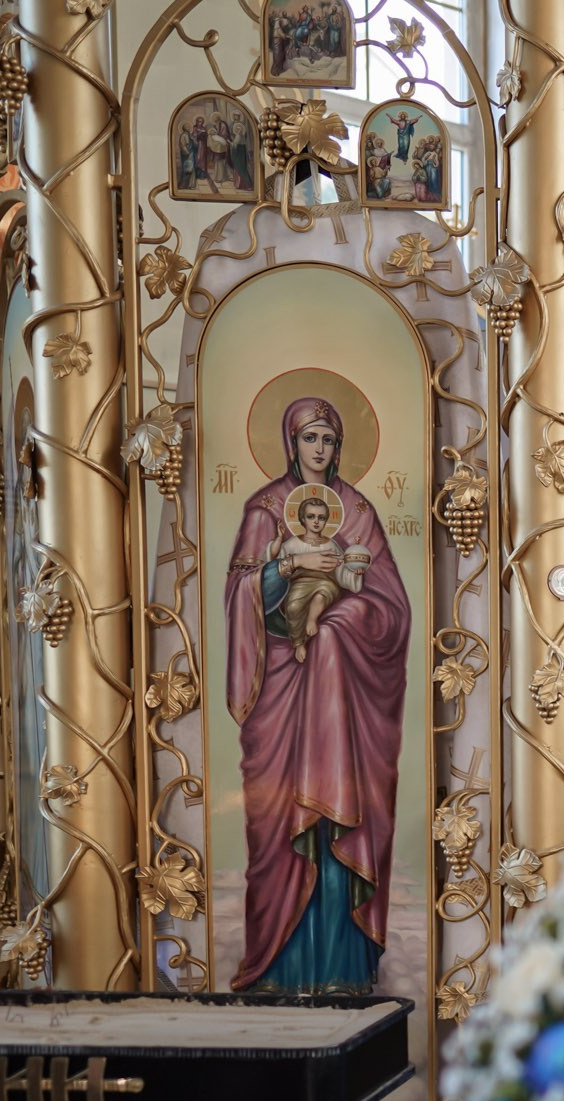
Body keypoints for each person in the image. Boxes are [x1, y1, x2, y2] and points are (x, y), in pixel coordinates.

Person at [224, 396, 410, 995]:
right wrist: (284, 566)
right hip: (280, 688)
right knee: (277, 829)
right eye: (310, 438)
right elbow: (239, 595)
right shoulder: (264, 511)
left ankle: (341, 972)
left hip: (344, 700)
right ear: (291, 443)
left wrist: (339, 623)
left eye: (328, 439)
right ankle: (276, 972)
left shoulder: (358, 512)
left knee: (339, 824)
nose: (320, 449)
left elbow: (393, 608)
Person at [272, 485, 372, 664]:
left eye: (321, 517)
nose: (316, 521)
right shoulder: (292, 544)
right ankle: (299, 643)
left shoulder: (331, 545)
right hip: (299, 584)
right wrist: (279, 540)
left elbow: (341, 571)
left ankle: (312, 619)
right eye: (311, 516)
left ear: (326, 521)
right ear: (302, 519)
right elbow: (276, 564)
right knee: (293, 607)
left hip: (326, 583)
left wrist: (355, 573)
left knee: (321, 596)